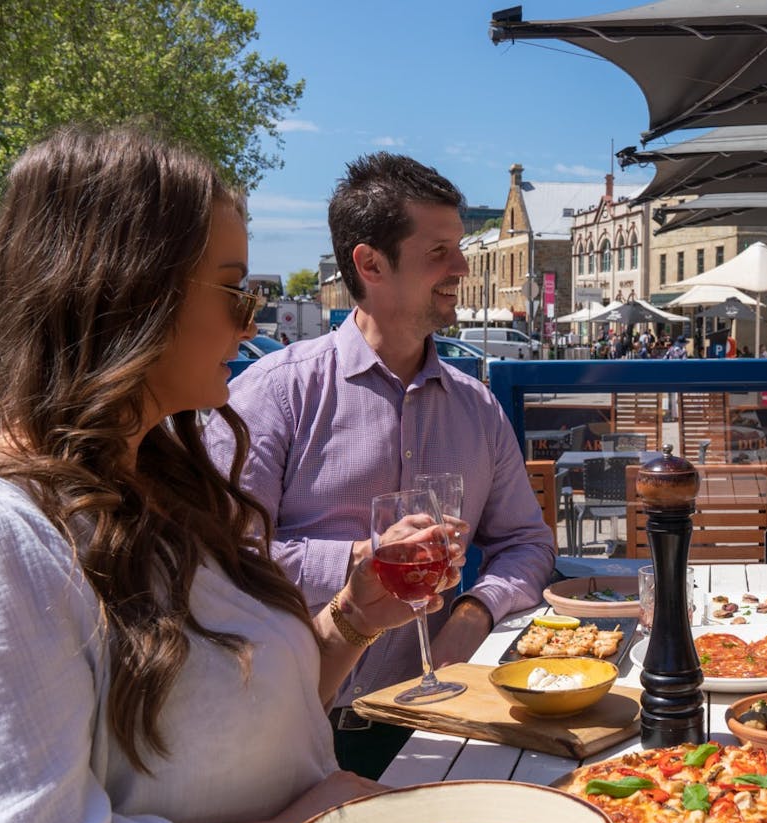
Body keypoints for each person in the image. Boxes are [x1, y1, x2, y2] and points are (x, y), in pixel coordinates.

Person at [0, 126, 441, 823]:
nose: (251, 322)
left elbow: (232, 729)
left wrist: (349, 620)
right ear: (123, 293)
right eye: (234, 289)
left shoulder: (163, 490)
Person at [206, 153, 555, 779]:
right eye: (439, 251)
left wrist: (472, 617)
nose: (463, 266)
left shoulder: (475, 406)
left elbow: (527, 543)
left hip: (440, 722)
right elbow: (220, 560)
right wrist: (360, 562)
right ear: (369, 264)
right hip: (294, 729)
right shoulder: (276, 393)